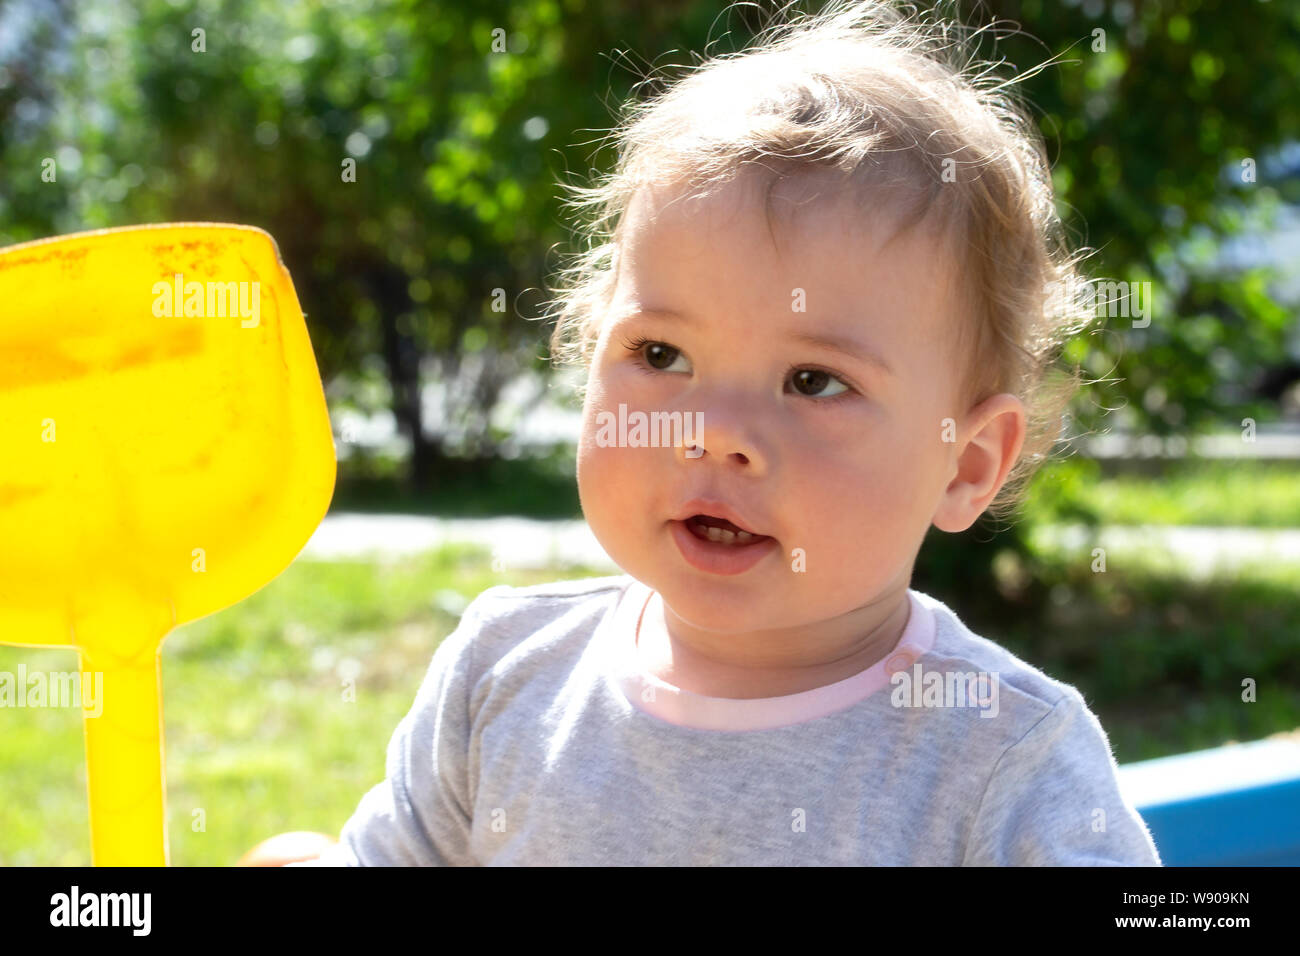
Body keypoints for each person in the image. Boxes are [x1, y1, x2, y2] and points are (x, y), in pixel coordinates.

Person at [277, 0, 1160, 866]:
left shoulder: (1002, 764)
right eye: (659, 353)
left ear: (965, 464)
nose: (714, 435)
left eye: (813, 382)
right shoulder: (506, 675)